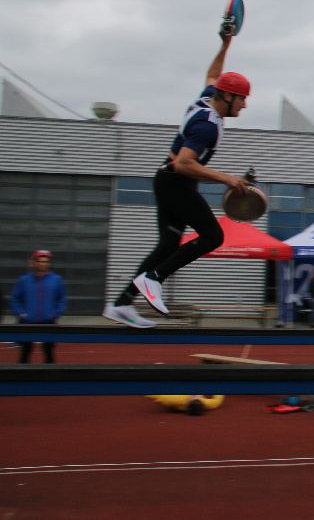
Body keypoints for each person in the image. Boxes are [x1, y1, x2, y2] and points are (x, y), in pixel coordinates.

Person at [103, 31, 251, 328]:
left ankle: (120, 304)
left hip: (166, 180)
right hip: (176, 181)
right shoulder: (207, 127)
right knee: (213, 236)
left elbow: (213, 73)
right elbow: (184, 163)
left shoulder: (207, 98)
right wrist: (226, 179)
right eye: (242, 100)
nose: (244, 106)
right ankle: (154, 278)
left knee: (168, 245)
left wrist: (225, 43)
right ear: (228, 96)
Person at [9, 250, 67, 363]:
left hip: (48, 322)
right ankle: (21, 376)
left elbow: (61, 299)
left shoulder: (57, 280)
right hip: (27, 322)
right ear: (34, 263)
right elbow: (15, 298)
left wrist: (55, 313)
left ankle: (49, 377)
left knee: (49, 352)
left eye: (46, 262)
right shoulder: (24, 280)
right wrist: (21, 313)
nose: (43, 264)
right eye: (40, 261)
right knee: (25, 353)